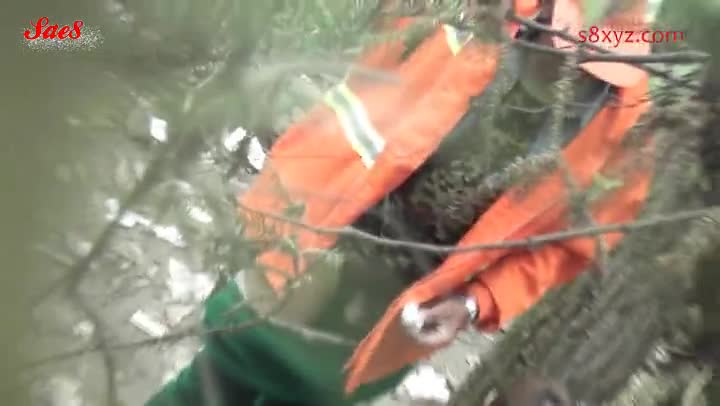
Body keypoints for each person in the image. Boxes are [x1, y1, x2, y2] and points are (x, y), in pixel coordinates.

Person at [147, 0, 654, 405]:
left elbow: (564, 249)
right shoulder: (475, 15)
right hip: (315, 233)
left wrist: (475, 303)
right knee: (215, 380)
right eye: (561, 48)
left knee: (308, 395)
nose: (570, 71)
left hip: (399, 308)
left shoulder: (632, 125)